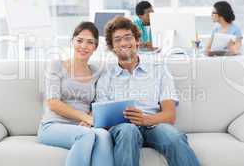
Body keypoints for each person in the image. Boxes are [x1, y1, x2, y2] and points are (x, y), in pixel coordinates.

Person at [96, 16, 200, 166]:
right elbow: (103, 122)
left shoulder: (159, 71)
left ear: (137, 40)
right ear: (112, 46)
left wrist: (145, 120)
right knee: (128, 131)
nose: (124, 43)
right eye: (117, 40)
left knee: (173, 136)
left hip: (153, 126)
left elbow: (169, 115)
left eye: (128, 37)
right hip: (123, 130)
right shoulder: (106, 78)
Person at [38, 22, 114, 166]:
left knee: (104, 136)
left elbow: (100, 104)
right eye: (79, 40)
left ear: (95, 47)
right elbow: (53, 103)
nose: (83, 46)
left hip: (84, 125)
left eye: (90, 42)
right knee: (85, 135)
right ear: (72, 41)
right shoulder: (56, 65)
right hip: (53, 125)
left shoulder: (98, 72)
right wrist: (85, 118)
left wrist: (89, 120)